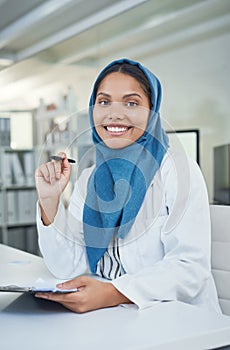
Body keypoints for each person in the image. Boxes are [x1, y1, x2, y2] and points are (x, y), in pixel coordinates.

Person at [35, 58, 221, 314]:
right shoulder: (90, 179)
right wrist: (50, 201)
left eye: (131, 103)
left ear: (152, 112)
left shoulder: (177, 171)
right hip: (112, 318)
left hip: (176, 320)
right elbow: (68, 267)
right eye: (104, 101)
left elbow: (189, 267)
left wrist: (112, 293)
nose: (115, 113)